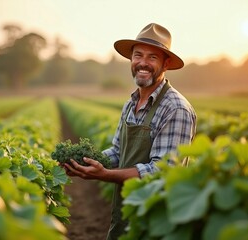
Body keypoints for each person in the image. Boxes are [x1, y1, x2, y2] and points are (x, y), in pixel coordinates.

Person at [63, 23, 197, 240]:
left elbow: (162, 173)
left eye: (152, 57)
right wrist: (85, 163)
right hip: (126, 214)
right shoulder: (130, 103)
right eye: (138, 55)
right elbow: (118, 152)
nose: (143, 63)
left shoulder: (176, 109)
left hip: (157, 223)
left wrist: (105, 175)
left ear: (166, 63)